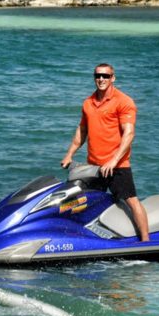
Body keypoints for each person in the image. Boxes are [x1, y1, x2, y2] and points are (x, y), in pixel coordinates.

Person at [60, 63, 150, 241]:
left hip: (117, 166)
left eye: (105, 76)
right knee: (78, 201)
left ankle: (146, 241)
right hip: (94, 166)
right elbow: (82, 131)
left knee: (131, 200)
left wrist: (114, 161)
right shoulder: (88, 103)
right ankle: (80, 237)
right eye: (98, 76)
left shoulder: (124, 101)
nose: (101, 79)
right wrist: (69, 153)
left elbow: (129, 133)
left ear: (113, 78)